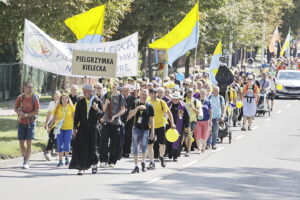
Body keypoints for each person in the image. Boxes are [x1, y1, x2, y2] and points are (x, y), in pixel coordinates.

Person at [69, 84, 103, 175]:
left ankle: (94, 164)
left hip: (93, 128)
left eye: (86, 91)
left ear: (91, 92)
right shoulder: (80, 102)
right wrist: (74, 128)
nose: (84, 92)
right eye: (83, 90)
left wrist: (96, 109)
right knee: (81, 147)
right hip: (83, 128)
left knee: (93, 147)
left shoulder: (97, 101)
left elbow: (101, 116)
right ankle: (81, 167)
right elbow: (77, 117)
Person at [127, 89, 155, 173]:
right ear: (140, 94)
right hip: (136, 128)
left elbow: (152, 119)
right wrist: (138, 108)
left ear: (148, 96)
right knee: (135, 147)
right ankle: (136, 166)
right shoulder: (135, 103)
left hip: (145, 129)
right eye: (143, 94)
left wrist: (152, 131)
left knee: (144, 146)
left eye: (145, 95)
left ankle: (143, 162)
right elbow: (130, 115)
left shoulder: (149, 106)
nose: (144, 96)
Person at [147, 88, 175, 169]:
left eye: (155, 93)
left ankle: (161, 156)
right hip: (150, 127)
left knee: (162, 144)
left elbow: (169, 113)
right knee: (150, 144)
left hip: (160, 126)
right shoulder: (147, 102)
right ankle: (152, 162)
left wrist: (172, 123)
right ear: (150, 94)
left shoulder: (161, 102)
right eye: (152, 93)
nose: (154, 94)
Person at [14, 81, 40, 169]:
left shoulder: (34, 98)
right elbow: (15, 108)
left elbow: (37, 112)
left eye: (31, 87)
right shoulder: (20, 97)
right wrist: (19, 112)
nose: (30, 89)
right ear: (24, 88)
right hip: (21, 123)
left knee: (29, 143)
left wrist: (27, 115)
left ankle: (26, 161)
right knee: (21, 144)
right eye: (29, 87)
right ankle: (26, 157)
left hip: (31, 123)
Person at [100, 82, 126, 168]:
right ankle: (103, 160)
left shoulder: (120, 96)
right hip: (106, 121)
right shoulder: (105, 95)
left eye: (115, 87)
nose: (113, 88)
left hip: (116, 122)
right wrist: (106, 103)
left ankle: (112, 161)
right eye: (112, 87)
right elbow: (103, 110)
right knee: (104, 141)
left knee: (114, 142)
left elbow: (123, 110)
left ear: (117, 87)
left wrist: (115, 116)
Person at [51, 94, 75, 167]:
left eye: (66, 98)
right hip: (59, 128)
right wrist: (49, 126)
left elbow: (74, 118)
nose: (64, 100)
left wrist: (75, 128)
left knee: (67, 145)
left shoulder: (71, 107)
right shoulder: (58, 107)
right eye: (63, 99)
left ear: (68, 99)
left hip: (68, 128)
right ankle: (60, 161)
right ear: (60, 100)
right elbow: (54, 118)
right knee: (59, 145)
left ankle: (67, 159)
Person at [167, 91, 190, 161]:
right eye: (174, 99)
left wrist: (187, 126)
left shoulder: (182, 106)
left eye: (177, 99)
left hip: (179, 126)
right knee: (169, 140)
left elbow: (186, 117)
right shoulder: (168, 105)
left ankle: (175, 155)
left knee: (178, 140)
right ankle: (169, 153)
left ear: (179, 99)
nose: (175, 100)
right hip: (169, 126)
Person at [183, 88, 201, 156]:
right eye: (188, 92)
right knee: (186, 136)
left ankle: (188, 149)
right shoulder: (184, 100)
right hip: (185, 121)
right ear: (187, 93)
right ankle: (187, 148)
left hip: (193, 120)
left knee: (189, 135)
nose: (190, 93)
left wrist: (192, 107)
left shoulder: (196, 101)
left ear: (193, 93)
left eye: (191, 92)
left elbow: (198, 112)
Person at [44, 90, 61, 161]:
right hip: (51, 122)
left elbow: (57, 116)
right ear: (53, 96)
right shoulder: (51, 103)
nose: (56, 97)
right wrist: (46, 123)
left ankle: (57, 153)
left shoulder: (61, 104)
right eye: (55, 96)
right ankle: (49, 153)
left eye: (58, 96)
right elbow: (49, 114)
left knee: (57, 137)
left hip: (58, 123)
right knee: (51, 137)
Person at [121, 85, 135, 158]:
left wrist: (131, 115)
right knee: (121, 136)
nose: (125, 92)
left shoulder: (133, 99)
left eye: (127, 91)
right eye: (124, 91)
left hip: (130, 120)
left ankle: (127, 151)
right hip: (121, 119)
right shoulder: (120, 98)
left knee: (128, 136)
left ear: (129, 91)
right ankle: (121, 151)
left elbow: (135, 109)